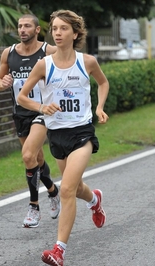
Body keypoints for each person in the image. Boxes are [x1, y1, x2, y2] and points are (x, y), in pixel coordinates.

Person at [17, 9, 109, 266]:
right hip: (57, 135)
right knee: (77, 188)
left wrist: (99, 107)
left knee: (67, 189)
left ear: (75, 33)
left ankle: (59, 251)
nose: (57, 33)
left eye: (63, 28)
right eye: (55, 28)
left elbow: (103, 83)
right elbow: (22, 97)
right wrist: (41, 108)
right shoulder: (43, 65)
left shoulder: (87, 61)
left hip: (82, 134)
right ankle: (95, 199)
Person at [0, 14, 60, 228]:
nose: (22, 29)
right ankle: (53, 191)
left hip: (42, 112)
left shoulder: (48, 51)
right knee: (36, 159)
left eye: (27, 26)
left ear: (37, 30)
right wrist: (2, 83)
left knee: (28, 155)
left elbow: (67, 65)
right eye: (20, 26)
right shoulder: (9, 53)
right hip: (20, 112)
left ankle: (33, 206)